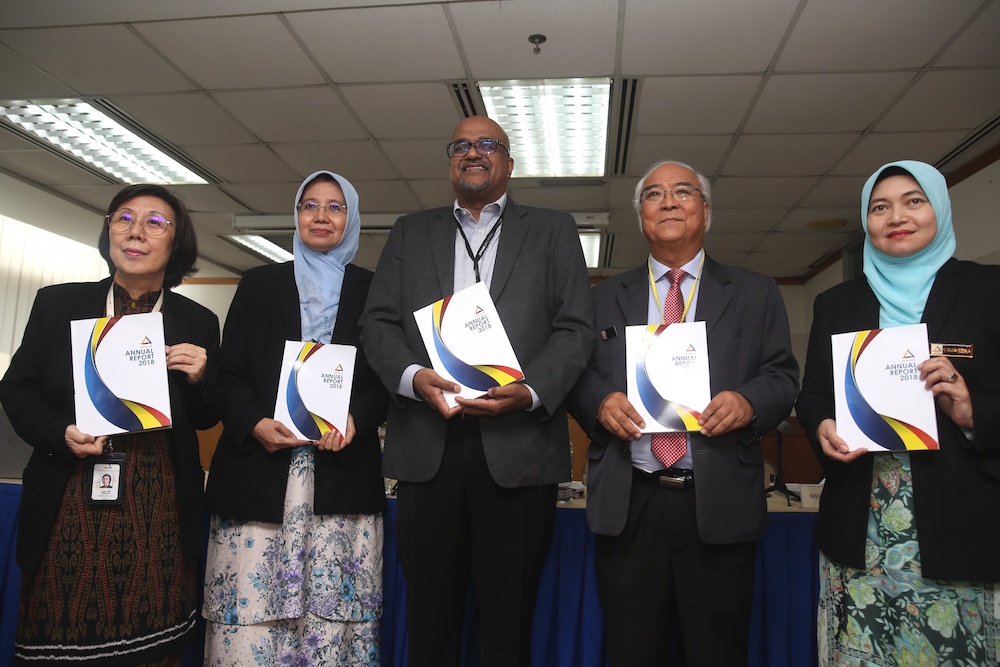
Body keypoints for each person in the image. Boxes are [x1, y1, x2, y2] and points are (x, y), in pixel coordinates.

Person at [360, 115, 594, 667]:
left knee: (507, 625)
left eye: (488, 144)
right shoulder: (409, 231)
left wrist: (532, 390)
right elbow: (378, 325)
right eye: (461, 145)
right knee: (430, 622)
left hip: (517, 450)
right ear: (450, 162)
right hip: (427, 446)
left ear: (508, 162)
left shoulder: (553, 228)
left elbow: (575, 327)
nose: (474, 152)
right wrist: (413, 378)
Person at [568, 160, 799, 665]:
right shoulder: (601, 298)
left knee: (717, 651)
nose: (668, 201)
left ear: (706, 210)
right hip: (631, 505)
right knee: (631, 650)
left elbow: (782, 375)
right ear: (641, 216)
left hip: (718, 504)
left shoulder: (756, 293)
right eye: (653, 194)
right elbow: (577, 374)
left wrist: (749, 400)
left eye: (682, 191)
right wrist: (599, 400)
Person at [0, 184, 222, 665]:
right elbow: (17, 389)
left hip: (158, 510)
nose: (136, 231)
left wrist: (203, 377)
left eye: (155, 222)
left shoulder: (197, 320)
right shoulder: (58, 304)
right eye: (124, 218)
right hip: (69, 502)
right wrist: (59, 431)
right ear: (108, 231)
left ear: (176, 240)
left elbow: (207, 416)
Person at [796, 160, 1000, 665]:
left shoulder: (988, 291)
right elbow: (815, 395)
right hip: (860, 533)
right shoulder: (837, 302)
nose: (896, 217)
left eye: (914, 201)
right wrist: (821, 424)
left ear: (940, 210)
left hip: (960, 530)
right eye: (879, 207)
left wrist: (973, 410)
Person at [203, 171, 388, 666]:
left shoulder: (376, 289)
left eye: (335, 206)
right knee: (248, 627)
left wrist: (358, 418)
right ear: (296, 215)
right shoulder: (260, 283)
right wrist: (254, 424)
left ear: (351, 218)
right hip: (258, 474)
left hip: (342, 477)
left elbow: (388, 378)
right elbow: (230, 373)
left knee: (334, 625)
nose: (321, 216)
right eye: (310, 205)